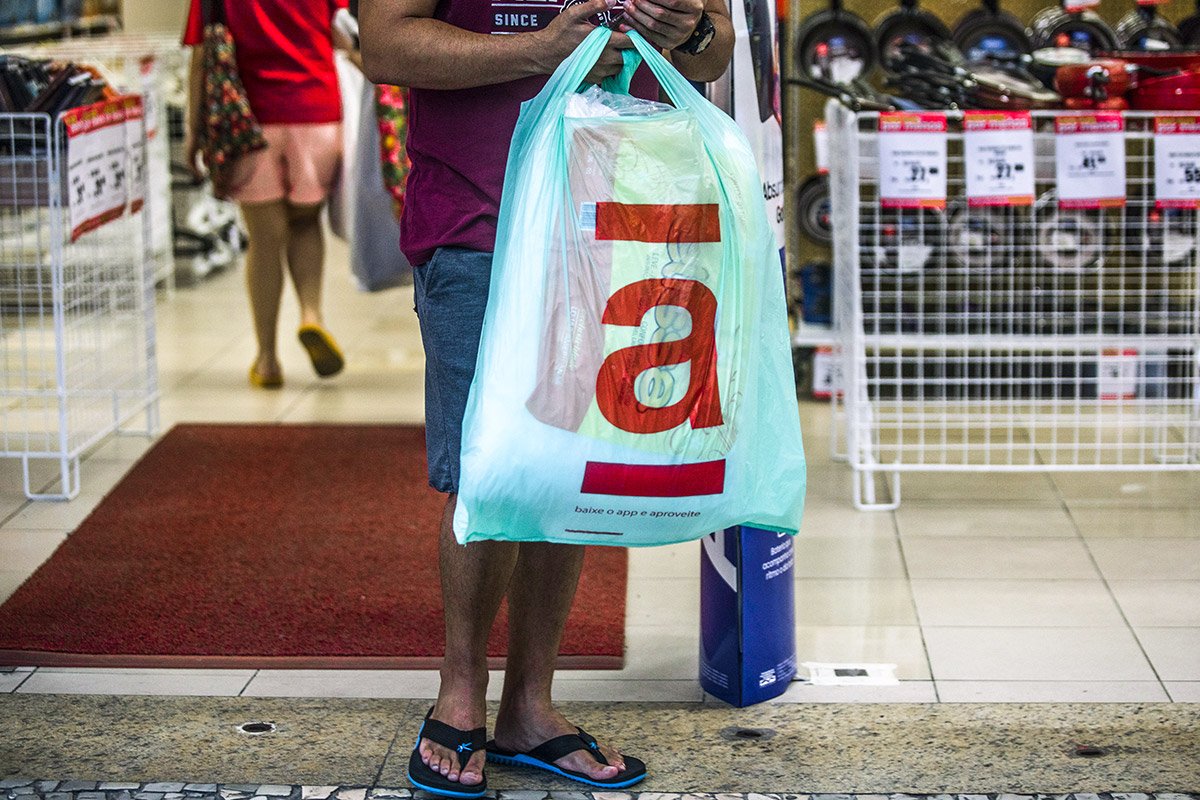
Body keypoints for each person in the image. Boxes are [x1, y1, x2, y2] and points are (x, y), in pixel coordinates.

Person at [357, 0, 734, 795]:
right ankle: (459, 690)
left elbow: (715, 50)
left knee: (569, 464)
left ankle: (531, 704)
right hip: (479, 219)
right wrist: (541, 51)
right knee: (486, 469)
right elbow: (387, 45)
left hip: (617, 213)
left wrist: (685, 31)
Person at [183, 0, 348, 389]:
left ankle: (268, 359)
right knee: (306, 222)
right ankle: (311, 315)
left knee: (264, 239)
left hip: (247, 118)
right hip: (317, 111)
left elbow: (202, 54)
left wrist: (195, 130)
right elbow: (342, 33)